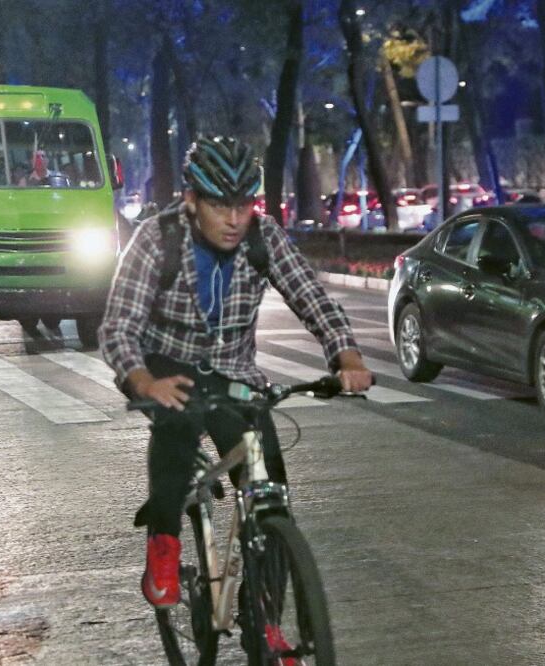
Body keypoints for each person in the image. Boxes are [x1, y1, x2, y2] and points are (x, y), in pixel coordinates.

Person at [100, 135, 373, 609]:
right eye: (220, 205)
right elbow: (119, 325)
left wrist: (345, 356)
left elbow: (312, 296)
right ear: (191, 200)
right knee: (179, 425)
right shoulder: (156, 238)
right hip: (167, 363)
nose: (233, 219)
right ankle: (164, 541)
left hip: (233, 371)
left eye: (244, 204)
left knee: (269, 484)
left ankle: (267, 614)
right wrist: (142, 380)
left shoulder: (263, 237)